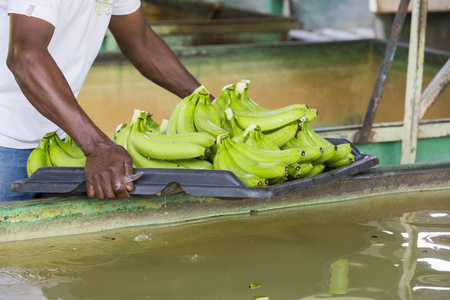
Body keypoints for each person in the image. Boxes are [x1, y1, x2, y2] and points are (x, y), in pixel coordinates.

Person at [0, 0, 205, 202]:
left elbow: (140, 41)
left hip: (60, 135)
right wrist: (96, 145)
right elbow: (25, 56)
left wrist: (206, 101)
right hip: (5, 137)